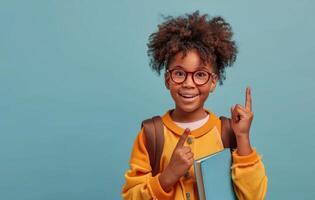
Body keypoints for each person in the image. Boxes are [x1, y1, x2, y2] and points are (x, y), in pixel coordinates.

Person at [121, 11, 268, 200]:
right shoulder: (151, 134)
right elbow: (130, 196)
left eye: (200, 75)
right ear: (168, 80)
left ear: (213, 82)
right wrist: (168, 176)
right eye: (179, 73)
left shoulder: (227, 132)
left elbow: (254, 196)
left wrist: (242, 137)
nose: (189, 84)